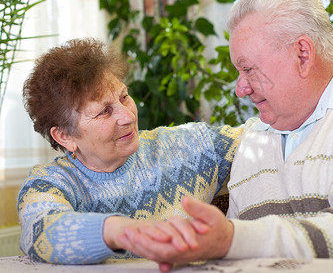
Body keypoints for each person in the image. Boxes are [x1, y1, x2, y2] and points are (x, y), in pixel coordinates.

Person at [116, 0, 333, 270]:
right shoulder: (255, 138)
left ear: (303, 54)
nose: (241, 88)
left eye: (248, 69)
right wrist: (197, 251)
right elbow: (241, 260)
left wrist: (231, 239)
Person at [17, 38, 243, 265]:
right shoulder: (51, 182)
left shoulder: (186, 146)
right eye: (105, 111)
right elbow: (40, 232)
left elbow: (259, 140)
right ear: (65, 136)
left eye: (124, 97)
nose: (129, 117)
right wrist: (122, 231)